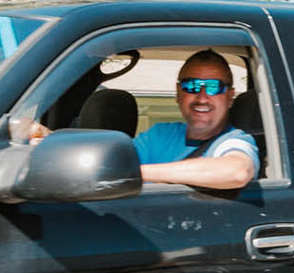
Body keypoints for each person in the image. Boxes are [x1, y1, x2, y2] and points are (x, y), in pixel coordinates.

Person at [33, 50, 258, 192]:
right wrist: (52, 140)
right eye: (191, 86)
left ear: (230, 97)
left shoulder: (234, 141)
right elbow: (110, 159)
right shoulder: (160, 134)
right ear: (179, 94)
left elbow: (236, 172)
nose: (201, 96)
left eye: (213, 87)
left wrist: (135, 173)